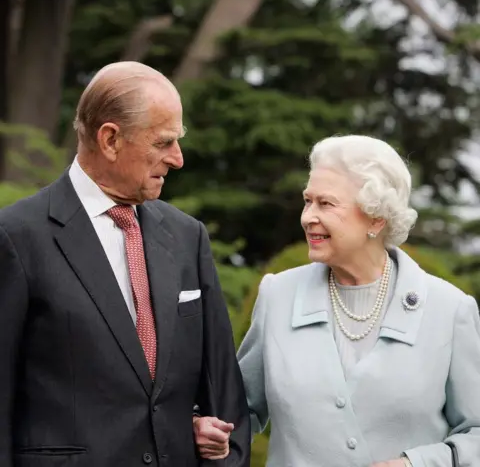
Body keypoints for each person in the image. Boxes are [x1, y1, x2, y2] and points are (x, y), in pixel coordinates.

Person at [0, 61, 250, 467]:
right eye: (163, 142)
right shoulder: (15, 237)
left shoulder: (188, 238)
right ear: (111, 139)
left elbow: (225, 399)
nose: (178, 159)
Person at [194, 135, 480, 466]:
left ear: (376, 218)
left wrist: (415, 463)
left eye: (326, 204)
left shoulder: (449, 309)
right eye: (307, 201)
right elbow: (237, 409)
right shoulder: (278, 295)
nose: (307, 217)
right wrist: (206, 425)